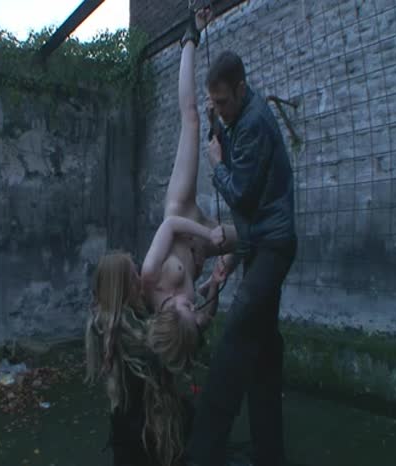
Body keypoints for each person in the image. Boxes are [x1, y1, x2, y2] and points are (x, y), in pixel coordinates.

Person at [184, 24, 298, 466]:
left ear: (242, 89)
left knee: (234, 338)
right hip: (260, 244)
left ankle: (202, 453)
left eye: (223, 102)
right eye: (212, 102)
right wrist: (232, 258)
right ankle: (270, 454)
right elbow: (251, 207)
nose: (218, 110)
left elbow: (243, 197)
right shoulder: (235, 117)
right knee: (264, 354)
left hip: (274, 247)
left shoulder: (252, 123)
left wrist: (216, 163)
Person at [139, 7, 238, 373]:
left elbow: (169, 227)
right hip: (202, 245)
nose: (190, 304)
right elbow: (205, 316)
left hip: (181, 212)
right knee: (250, 238)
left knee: (191, 119)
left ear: (167, 314)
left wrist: (206, 234)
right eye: (192, 310)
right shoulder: (189, 322)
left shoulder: (150, 278)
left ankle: (188, 38)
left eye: (187, 307)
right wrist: (214, 283)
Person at [85, 251, 220, 466]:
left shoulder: (121, 318)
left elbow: (186, 330)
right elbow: (177, 337)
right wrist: (181, 311)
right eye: (133, 277)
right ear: (121, 288)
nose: (140, 279)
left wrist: (211, 288)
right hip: (143, 427)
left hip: (139, 424)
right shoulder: (124, 331)